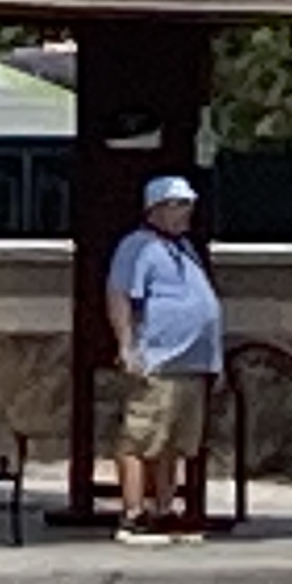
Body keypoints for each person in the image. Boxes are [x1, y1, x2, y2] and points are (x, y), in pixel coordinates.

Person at [107, 172, 225, 542]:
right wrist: (127, 346)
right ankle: (133, 511)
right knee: (141, 439)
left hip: (192, 364)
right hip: (158, 360)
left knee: (174, 443)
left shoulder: (186, 249)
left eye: (188, 205)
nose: (185, 212)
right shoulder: (137, 246)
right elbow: (120, 295)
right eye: (177, 205)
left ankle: (164, 508)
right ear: (155, 208)